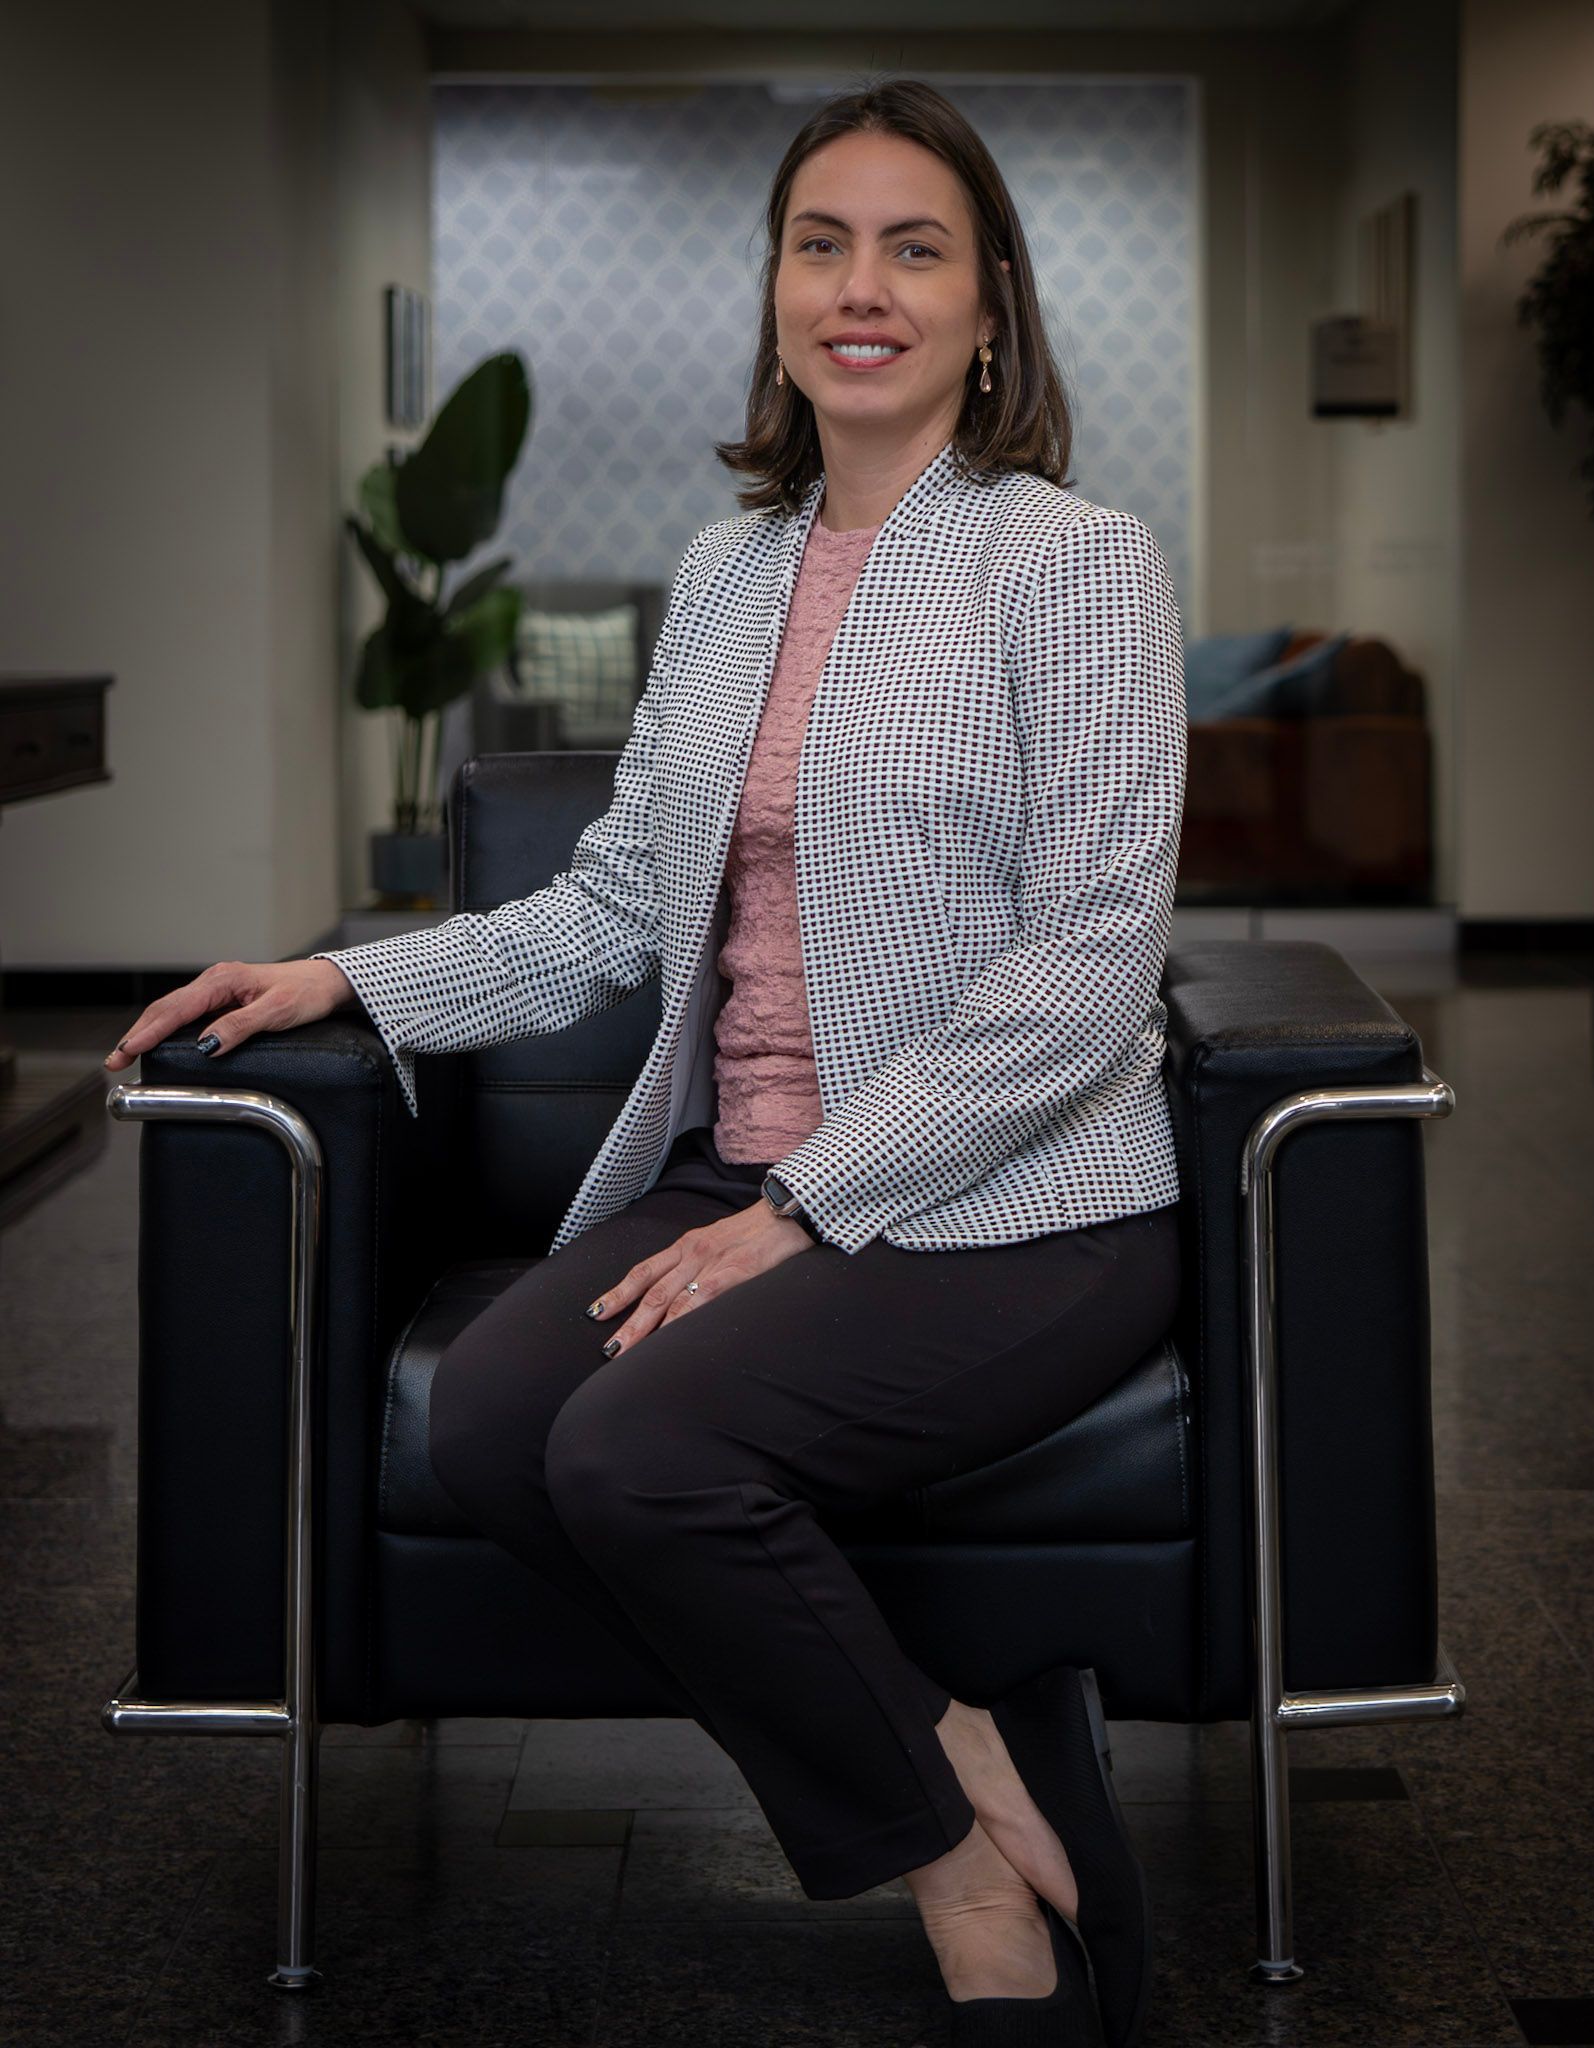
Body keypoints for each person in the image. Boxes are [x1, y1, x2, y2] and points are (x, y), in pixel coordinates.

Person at [107, 76, 1185, 2042]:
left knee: (637, 1444)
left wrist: (806, 1205)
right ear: (776, 285)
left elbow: (1097, 956)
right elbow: (613, 907)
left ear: (988, 305)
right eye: (819, 242)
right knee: (499, 1420)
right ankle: (957, 1752)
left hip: (1015, 1202)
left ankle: (953, 1886)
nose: (860, 288)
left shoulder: (1072, 559)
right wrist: (352, 986)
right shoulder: (726, 572)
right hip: (744, 1170)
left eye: (913, 247)